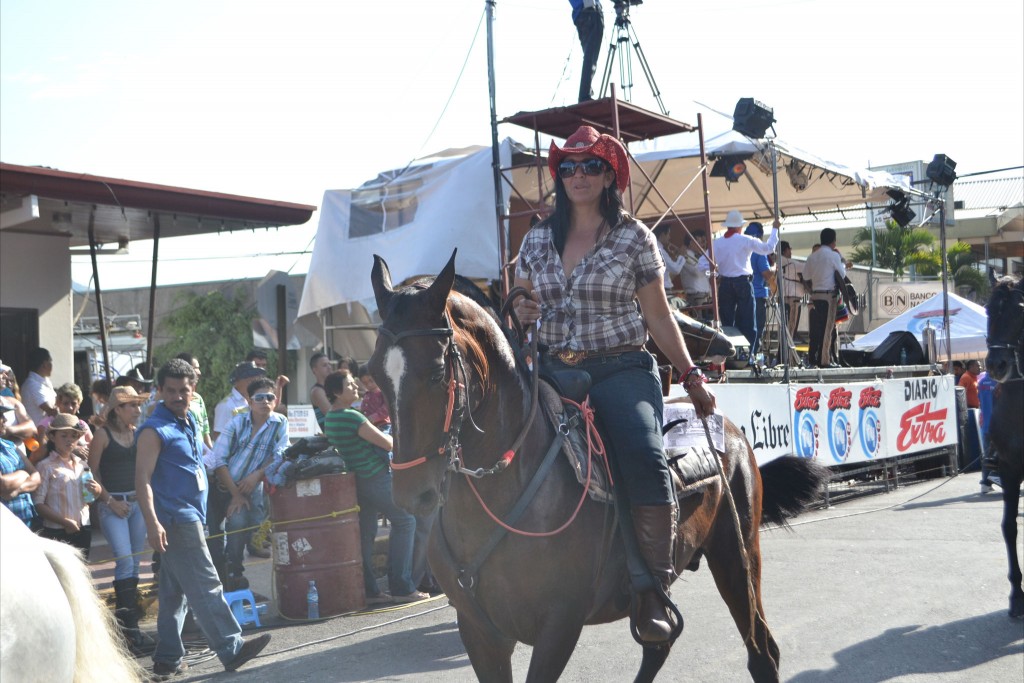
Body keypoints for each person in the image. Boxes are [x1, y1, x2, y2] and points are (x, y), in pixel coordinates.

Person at [513, 125, 716, 644]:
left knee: (644, 457)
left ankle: (650, 590)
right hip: (551, 370)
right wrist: (520, 306)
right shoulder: (536, 237)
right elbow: (516, 298)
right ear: (559, 177)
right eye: (568, 167)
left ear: (609, 175)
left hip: (620, 369)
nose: (577, 175)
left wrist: (691, 376)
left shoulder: (634, 237)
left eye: (590, 166)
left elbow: (658, 316)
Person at [135, 359, 270, 676]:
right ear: (159, 391)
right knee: (207, 584)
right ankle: (231, 648)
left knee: (174, 592)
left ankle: (167, 657)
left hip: (192, 515)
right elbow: (141, 480)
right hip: (176, 520)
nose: (178, 396)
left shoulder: (190, 419)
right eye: (171, 390)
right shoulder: (153, 431)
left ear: (193, 390)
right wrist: (153, 523)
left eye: (184, 389)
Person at [323, 369, 425, 605]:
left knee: (366, 534)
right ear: (337, 392)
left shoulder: (331, 417)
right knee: (406, 521)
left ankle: (370, 590)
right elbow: (388, 444)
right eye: (350, 385)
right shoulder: (352, 417)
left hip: (354, 481)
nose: (356, 387)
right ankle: (401, 586)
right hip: (375, 477)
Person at [208, 377, 288, 591]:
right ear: (250, 402)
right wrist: (235, 494)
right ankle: (224, 581)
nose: (265, 402)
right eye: (259, 398)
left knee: (241, 527)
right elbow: (218, 461)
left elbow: (280, 454)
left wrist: (257, 475)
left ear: (275, 400)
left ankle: (235, 575)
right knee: (215, 540)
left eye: (269, 397)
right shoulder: (236, 423)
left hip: (251, 487)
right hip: (221, 487)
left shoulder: (280, 422)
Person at [88, 386, 149, 647]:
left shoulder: (138, 433)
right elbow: (90, 475)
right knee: (126, 561)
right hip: (113, 504)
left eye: (138, 405)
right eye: (132, 405)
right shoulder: (102, 435)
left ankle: (129, 625)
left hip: (136, 503)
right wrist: (110, 502)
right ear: (118, 410)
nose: (137, 410)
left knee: (133, 563)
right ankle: (129, 627)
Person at [697, 210, 780, 358]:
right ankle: (750, 356)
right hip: (743, 282)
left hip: (725, 283)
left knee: (728, 323)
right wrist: (775, 229)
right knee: (749, 322)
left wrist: (715, 275)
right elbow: (769, 248)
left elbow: (701, 264)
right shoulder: (745, 240)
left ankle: (730, 355)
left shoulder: (717, 243)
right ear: (739, 227)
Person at [32, 414, 102, 557]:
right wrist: (65, 522)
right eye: (64, 436)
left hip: (83, 527)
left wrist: (97, 491)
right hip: (56, 530)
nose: (69, 440)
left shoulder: (82, 465)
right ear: (52, 437)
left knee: (82, 571)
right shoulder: (45, 466)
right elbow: (39, 504)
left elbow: (87, 500)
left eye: (74, 436)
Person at [803, 227, 847, 368]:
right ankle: (825, 361)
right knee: (828, 329)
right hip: (829, 296)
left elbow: (806, 276)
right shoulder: (834, 256)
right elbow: (842, 275)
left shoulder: (812, 256)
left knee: (816, 330)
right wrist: (844, 265)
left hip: (815, 296)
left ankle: (812, 359)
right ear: (833, 241)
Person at [0, 404, 40, 528]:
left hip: (25, 518)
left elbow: (36, 476)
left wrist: (18, 489)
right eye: (0, 416)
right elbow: (3, 485)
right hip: (5, 524)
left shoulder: (10, 446)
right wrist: (23, 473)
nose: (5, 420)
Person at [213, 362, 267, 442]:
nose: (254, 383)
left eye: (255, 379)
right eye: (250, 379)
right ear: (238, 381)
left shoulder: (255, 401)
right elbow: (218, 436)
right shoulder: (226, 405)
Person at [745, 222, 775, 361]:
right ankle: (752, 358)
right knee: (756, 330)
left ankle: (744, 358)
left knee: (743, 329)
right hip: (757, 296)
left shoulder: (742, 247)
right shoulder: (759, 250)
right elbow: (767, 274)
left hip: (742, 295)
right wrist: (775, 269)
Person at [569, 0, 603, 103]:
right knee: (591, 56)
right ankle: (584, 94)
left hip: (581, 13)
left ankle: (586, 91)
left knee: (589, 55)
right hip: (589, 9)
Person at [977, 369, 1002, 493]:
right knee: (1003, 453)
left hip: (986, 423)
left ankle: (985, 483)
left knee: (988, 455)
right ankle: (999, 478)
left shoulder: (982, 382)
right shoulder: (999, 382)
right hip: (998, 424)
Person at [678, 232, 712, 318]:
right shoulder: (685, 254)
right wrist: (708, 265)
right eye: (699, 242)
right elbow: (696, 272)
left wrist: (713, 272)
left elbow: (707, 275)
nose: (702, 245)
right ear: (691, 242)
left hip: (706, 296)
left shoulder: (700, 256)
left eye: (702, 242)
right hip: (696, 297)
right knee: (700, 323)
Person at [21, 347, 57, 424]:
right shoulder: (32, 385)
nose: (52, 365)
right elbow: (51, 411)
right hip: (38, 432)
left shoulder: (45, 382)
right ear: (45, 364)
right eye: (50, 361)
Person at [779, 241, 805, 341]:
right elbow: (808, 269)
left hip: (782, 298)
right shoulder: (792, 263)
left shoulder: (777, 262)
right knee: (791, 329)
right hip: (793, 299)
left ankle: (782, 354)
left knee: (784, 328)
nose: (791, 251)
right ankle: (788, 355)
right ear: (786, 250)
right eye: (790, 249)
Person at [653, 224, 685, 293]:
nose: (669, 237)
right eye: (668, 234)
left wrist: (677, 257)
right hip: (664, 289)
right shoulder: (660, 250)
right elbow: (676, 270)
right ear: (662, 235)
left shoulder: (655, 248)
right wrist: (681, 256)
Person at [358, 364, 391, 430]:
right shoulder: (367, 395)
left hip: (383, 425)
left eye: (371, 381)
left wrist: (374, 417)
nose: (369, 385)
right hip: (370, 426)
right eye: (365, 383)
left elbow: (386, 409)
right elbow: (363, 409)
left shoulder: (383, 393)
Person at [308, 352, 334, 432]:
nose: (329, 367)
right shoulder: (317, 391)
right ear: (315, 370)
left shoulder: (333, 387)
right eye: (324, 365)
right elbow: (332, 415)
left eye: (329, 364)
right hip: (333, 435)